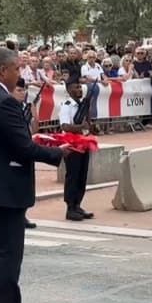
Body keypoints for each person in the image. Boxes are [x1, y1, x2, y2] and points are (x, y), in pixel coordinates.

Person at [0, 48, 70, 303]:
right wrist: (56, 153)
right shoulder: (3, 101)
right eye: (17, 70)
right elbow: (22, 147)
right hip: (3, 188)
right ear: (3, 71)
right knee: (9, 252)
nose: (20, 75)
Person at [59, 77, 94, 221]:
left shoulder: (82, 104)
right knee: (73, 175)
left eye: (80, 87)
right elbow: (65, 126)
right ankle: (70, 207)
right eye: (76, 87)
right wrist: (81, 127)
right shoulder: (66, 105)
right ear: (68, 90)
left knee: (82, 175)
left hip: (84, 142)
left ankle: (78, 204)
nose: (79, 90)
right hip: (72, 144)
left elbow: (88, 123)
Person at [12, 78, 39, 229]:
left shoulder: (26, 107)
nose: (22, 93)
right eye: (19, 90)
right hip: (15, 150)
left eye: (23, 90)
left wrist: (35, 116)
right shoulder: (10, 108)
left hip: (27, 148)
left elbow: (34, 130)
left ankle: (23, 214)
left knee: (27, 183)